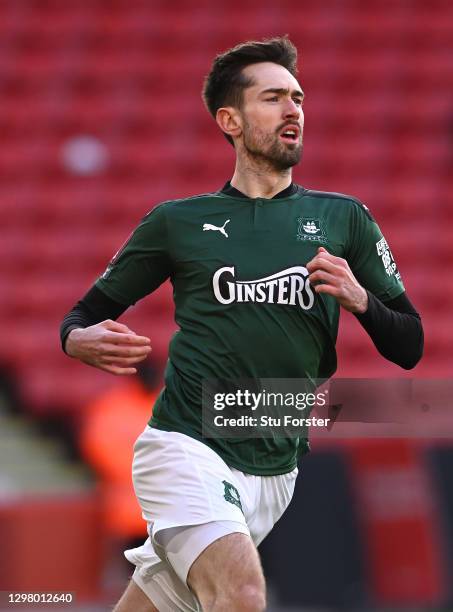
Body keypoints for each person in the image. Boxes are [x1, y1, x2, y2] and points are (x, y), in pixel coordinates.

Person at [60, 37, 423, 612]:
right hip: (186, 442)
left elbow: (409, 345)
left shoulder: (344, 218)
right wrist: (77, 338)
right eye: (274, 97)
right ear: (230, 120)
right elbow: (83, 316)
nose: (293, 110)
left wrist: (360, 300)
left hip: (276, 466)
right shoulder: (178, 222)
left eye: (298, 98)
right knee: (243, 593)